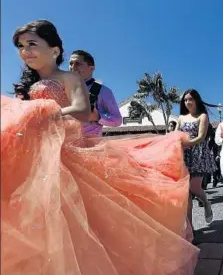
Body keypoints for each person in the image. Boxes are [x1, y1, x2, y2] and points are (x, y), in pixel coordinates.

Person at [3, 20, 198, 275]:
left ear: (54, 50)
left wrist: (47, 110)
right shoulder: (27, 85)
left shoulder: (72, 80)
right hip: (35, 156)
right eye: (20, 46)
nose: (24, 50)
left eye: (31, 44)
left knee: (85, 213)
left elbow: (84, 112)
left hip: (72, 148)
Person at [176, 89, 216, 229]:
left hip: (198, 155)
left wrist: (186, 144)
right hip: (183, 156)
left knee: (194, 188)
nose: (187, 102)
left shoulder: (202, 116)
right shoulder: (181, 118)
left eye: (190, 99)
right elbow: (175, 135)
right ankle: (190, 229)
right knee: (186, 194)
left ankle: (206, 202)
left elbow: (201, 137)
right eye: (185, 100)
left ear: (196, 100)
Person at [69, 50, 122, 136]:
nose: (73, 67)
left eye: (78, 63)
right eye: (71, 63)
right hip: (65, 145)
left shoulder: (103, 91)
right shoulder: (62, 89)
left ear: (91, 68)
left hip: (91, 146)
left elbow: (117, 120)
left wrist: (98, 117)